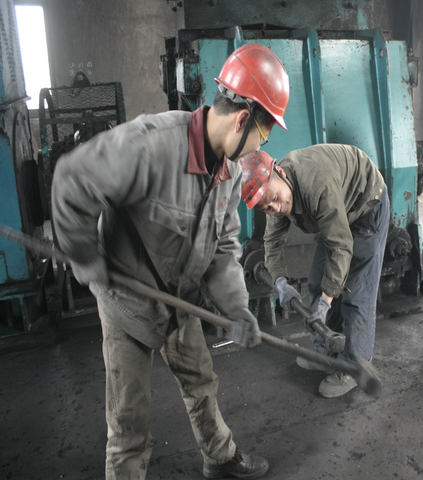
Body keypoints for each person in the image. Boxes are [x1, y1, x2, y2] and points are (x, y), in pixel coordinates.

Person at [51, 44, 289, 479]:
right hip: (127, 301)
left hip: (179, 302)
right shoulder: (151, 145)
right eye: (264, 134)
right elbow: (72, 178)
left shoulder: (229, 174)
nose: (261, 145)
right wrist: (83, 254)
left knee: (201, 384)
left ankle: (220, 458)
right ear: (242, 119)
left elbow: (224, 249)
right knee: (129, 422)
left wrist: (237, 309)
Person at [240, 144, 389, 398]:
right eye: (267, 208)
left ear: (280, 173)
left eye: (274, 198)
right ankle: (326, 353)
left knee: (356, 291)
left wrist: (326, 302)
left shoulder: (317, 184)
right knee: (318, 280)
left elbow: (341, 246)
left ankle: (353, 365)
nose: (275, 207)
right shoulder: (272, 193)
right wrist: (280, 283)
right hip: (338, 209)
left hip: (365, 204)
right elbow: (272, 242)